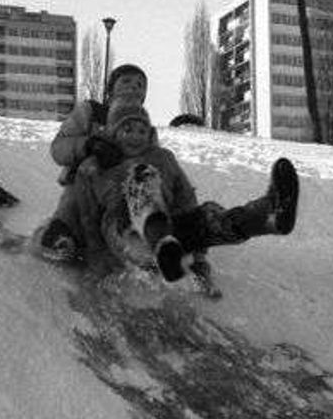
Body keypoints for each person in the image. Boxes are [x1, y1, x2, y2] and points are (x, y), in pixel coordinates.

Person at [72, 100, 298, 287]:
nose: (135, 136)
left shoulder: (163, 157)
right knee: (142, 177)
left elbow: (185, 199)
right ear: (112, 133)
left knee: (207, 215)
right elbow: (87, 216)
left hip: (171, 229)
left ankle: (267, 216)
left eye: (142, 130)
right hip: (124, 232)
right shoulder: (95, 166)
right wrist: (97, 261)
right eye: (127, 129)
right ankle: (160, 242)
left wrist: (199, 260)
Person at [36, 63, 149, 259]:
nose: (133, 87)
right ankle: (61, 232)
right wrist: (88, 145)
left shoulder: (143, 125)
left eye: (140, 85)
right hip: (84, 184)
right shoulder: (91, 112)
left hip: (121, 189)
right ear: (111, 89)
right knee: (75, 200)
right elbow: (59, 148)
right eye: (126, 81)